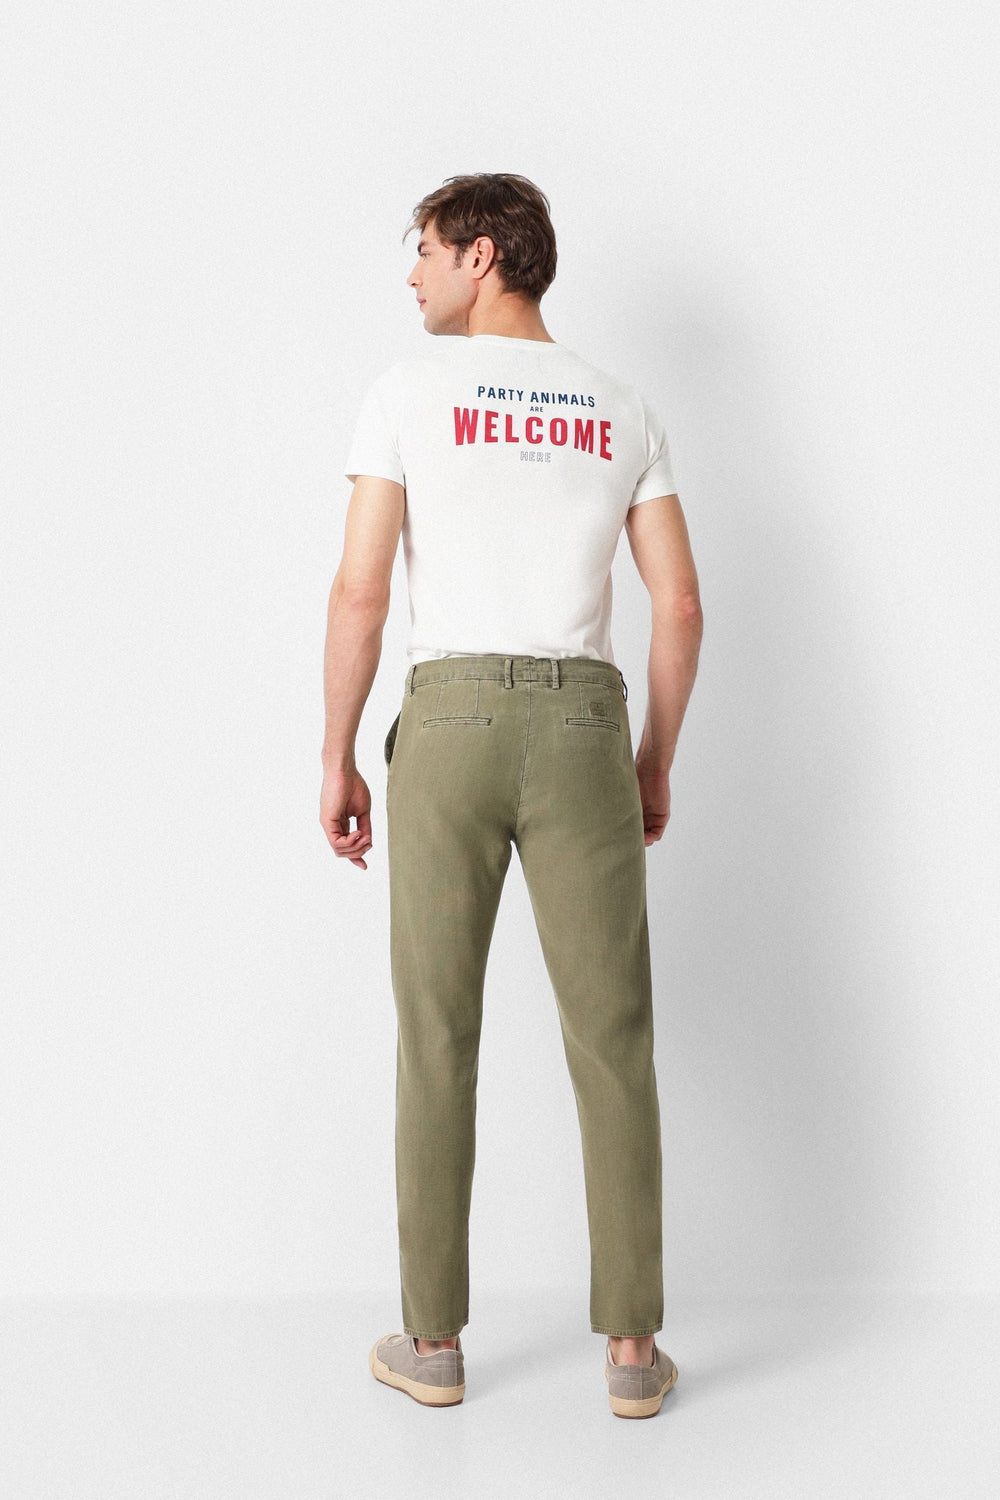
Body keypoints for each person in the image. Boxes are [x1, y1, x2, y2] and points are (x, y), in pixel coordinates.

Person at [320, 173, 703, 1419]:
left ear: (481, 256)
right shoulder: (620, 405)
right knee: (615, 1038)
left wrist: (335, 752)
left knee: (436, 1034)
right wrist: (652, 759)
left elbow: (360, 591)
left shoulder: (405, 393)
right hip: (586, 722)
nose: (413, 274)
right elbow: (678, 603)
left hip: (449, 723)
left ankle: (432, 1344)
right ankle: (633, 1356)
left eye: (426, 251)